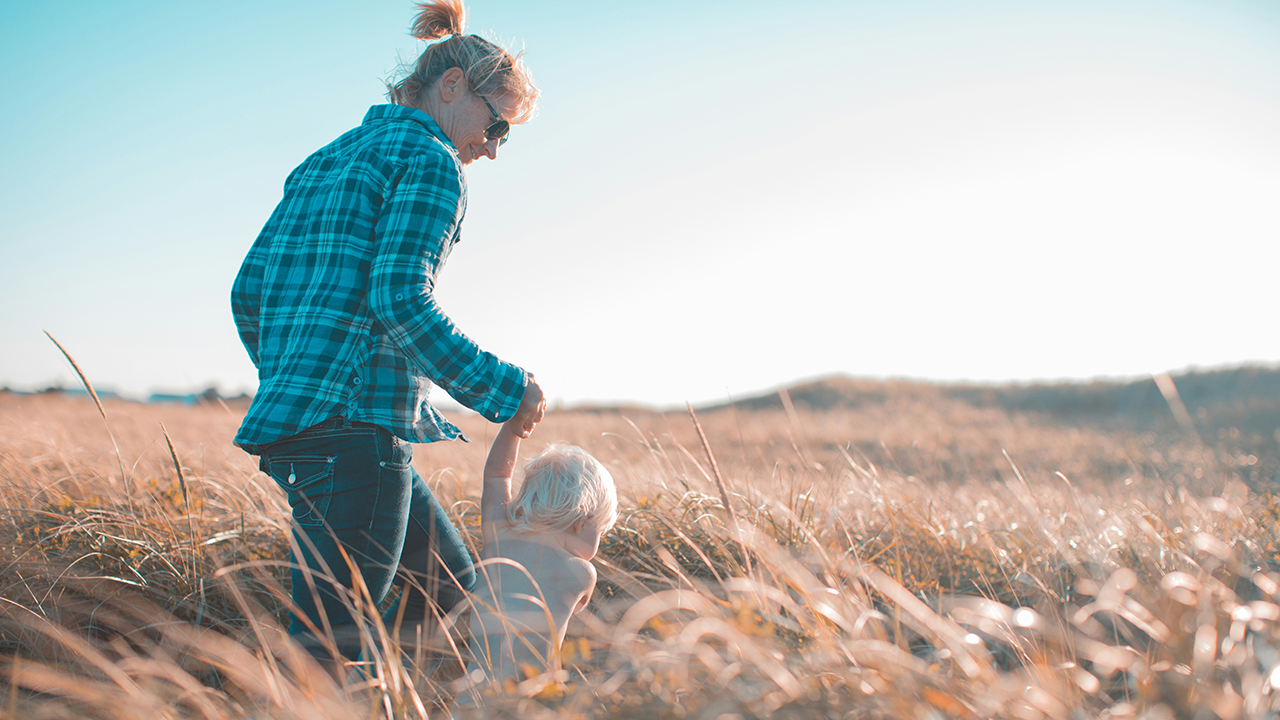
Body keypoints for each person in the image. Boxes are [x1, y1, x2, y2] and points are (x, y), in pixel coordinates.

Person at [229, 0, 544, 673]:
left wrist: (297, 377)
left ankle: (387, 692)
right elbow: (400, 298)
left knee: (454, 592)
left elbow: (247, 293)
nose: (492, 147)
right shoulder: (433, 161)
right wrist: (506, 389)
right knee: (325, 658)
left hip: (306, 425)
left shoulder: (326, 158)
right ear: (453, 85)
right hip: (356, 437)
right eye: (499, 127)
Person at [457, 424, 617, 699]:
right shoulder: (582, 573)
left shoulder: (499, 540)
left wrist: (513, 428)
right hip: (528, 703)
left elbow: (496, 477)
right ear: (580, 523)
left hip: (470, 699)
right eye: (600, 532)